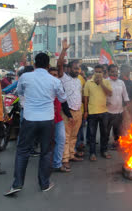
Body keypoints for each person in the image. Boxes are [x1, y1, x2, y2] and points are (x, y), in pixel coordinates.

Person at [4, 53, 67, 195]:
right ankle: (44, 184)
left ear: (34, 64)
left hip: (30, 119)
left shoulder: (25, 77)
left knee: (22, 151)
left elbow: (19, 92)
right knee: (46, 152)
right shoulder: (54, 81)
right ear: (48, 65)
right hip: (47, 120)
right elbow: (63, 98)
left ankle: (17, 184)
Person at [57, 40, 84, 169]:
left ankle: (72, 154)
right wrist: (64, 50)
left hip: (78, 111)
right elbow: (59, 64)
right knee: (66, 137)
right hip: (67, 112)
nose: (77, 70)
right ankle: (65, 158)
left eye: (78, 68)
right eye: (74, 68)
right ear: (69, 69)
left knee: (74, 135)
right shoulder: (63, 77)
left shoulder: (79, 81)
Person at [84, 64, 112, 161]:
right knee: (92, 134)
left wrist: (102, 84)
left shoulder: (106, 82)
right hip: (92, 112)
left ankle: (104, 151)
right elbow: (86, 98)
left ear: (103, 73)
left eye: (100, 72)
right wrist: (86, 111)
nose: (98, 73)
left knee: (104, 133)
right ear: (94, 72)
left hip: (104, 112)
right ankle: (92, 153)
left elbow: (110, 93)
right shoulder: (88, 83)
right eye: (96, 71)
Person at [48, 67, 73, 173]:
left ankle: (57, 164)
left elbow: (64, 102)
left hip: (58, 118)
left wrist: (69, 115)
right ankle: (47, 164)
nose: (54, 77)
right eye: (52, 75)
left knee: (61, 140)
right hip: (46, 119)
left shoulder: (59, 86)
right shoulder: (44, 87)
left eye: (56, 75)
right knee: (48, 142)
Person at [107, 64, 130, 149]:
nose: (115, 73)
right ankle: (104, 145)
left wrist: (127, 103)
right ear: (108, 72)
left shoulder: (121, 82)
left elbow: (125, 94)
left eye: (116, 71)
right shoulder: (106, 82)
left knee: (117, 129)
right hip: (108, 111)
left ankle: (116, 143)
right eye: (112, 71)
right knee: (106, 130)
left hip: (119, 110)